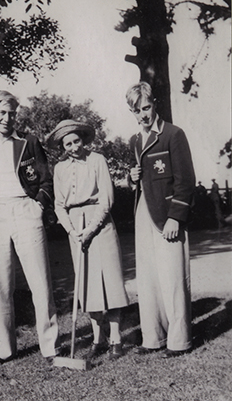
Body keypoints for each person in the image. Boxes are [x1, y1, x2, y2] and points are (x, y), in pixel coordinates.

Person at [0, 90, 59, 367]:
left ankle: (50, 346)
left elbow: (46, 181)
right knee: (0, 284)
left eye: (12, 113)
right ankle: (3, 349)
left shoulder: (29, 143)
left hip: (26, 210)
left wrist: (37, 206)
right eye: (2, 113)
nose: (7, 118)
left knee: (40, 282)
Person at [47, 119, 128, 360]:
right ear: (63, 147)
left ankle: (116, 339)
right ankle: (98, 339)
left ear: (83, 139)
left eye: (76, 141)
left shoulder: (97, 160)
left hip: (99, 224)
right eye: (67, 144)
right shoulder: (60, 169)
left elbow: (107, 200)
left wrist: (90, 229)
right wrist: (72, 231)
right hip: (75, 227)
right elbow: (59, 206)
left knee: (110, 281)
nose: (73, 147)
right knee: (88, 284)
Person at [126, 82, 195, 358]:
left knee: (173, 277)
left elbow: (186, 181)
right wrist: (133, 179)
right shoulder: (134, 141)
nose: (143, 114)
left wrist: (175, 218)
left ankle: (179, 340)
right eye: (136, 110)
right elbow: (146, 181)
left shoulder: (173, 134)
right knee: (148, 279)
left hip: (167, 217)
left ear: (155, 104)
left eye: (146, 107)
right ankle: (153, 337)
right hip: (144, 213)